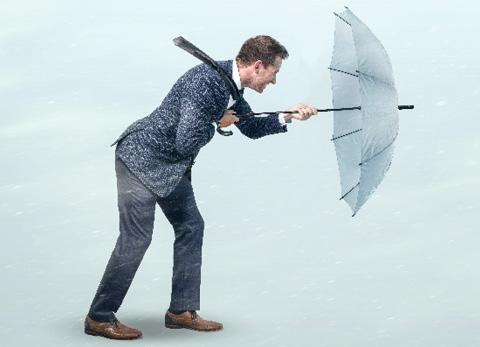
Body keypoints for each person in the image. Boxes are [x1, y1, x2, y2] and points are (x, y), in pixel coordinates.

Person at [84, 35, 317, 340]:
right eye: (274, 73)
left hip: (171, 166)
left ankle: (181, 311)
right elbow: (186, 141)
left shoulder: (230, 86)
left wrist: (287, 116)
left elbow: (250, 126)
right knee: (137, 239)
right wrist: (216, 123)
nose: (273, 81)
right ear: (258, 66)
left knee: (191, 226)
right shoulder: (206, 83)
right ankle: (99, 318)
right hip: (140, 160)